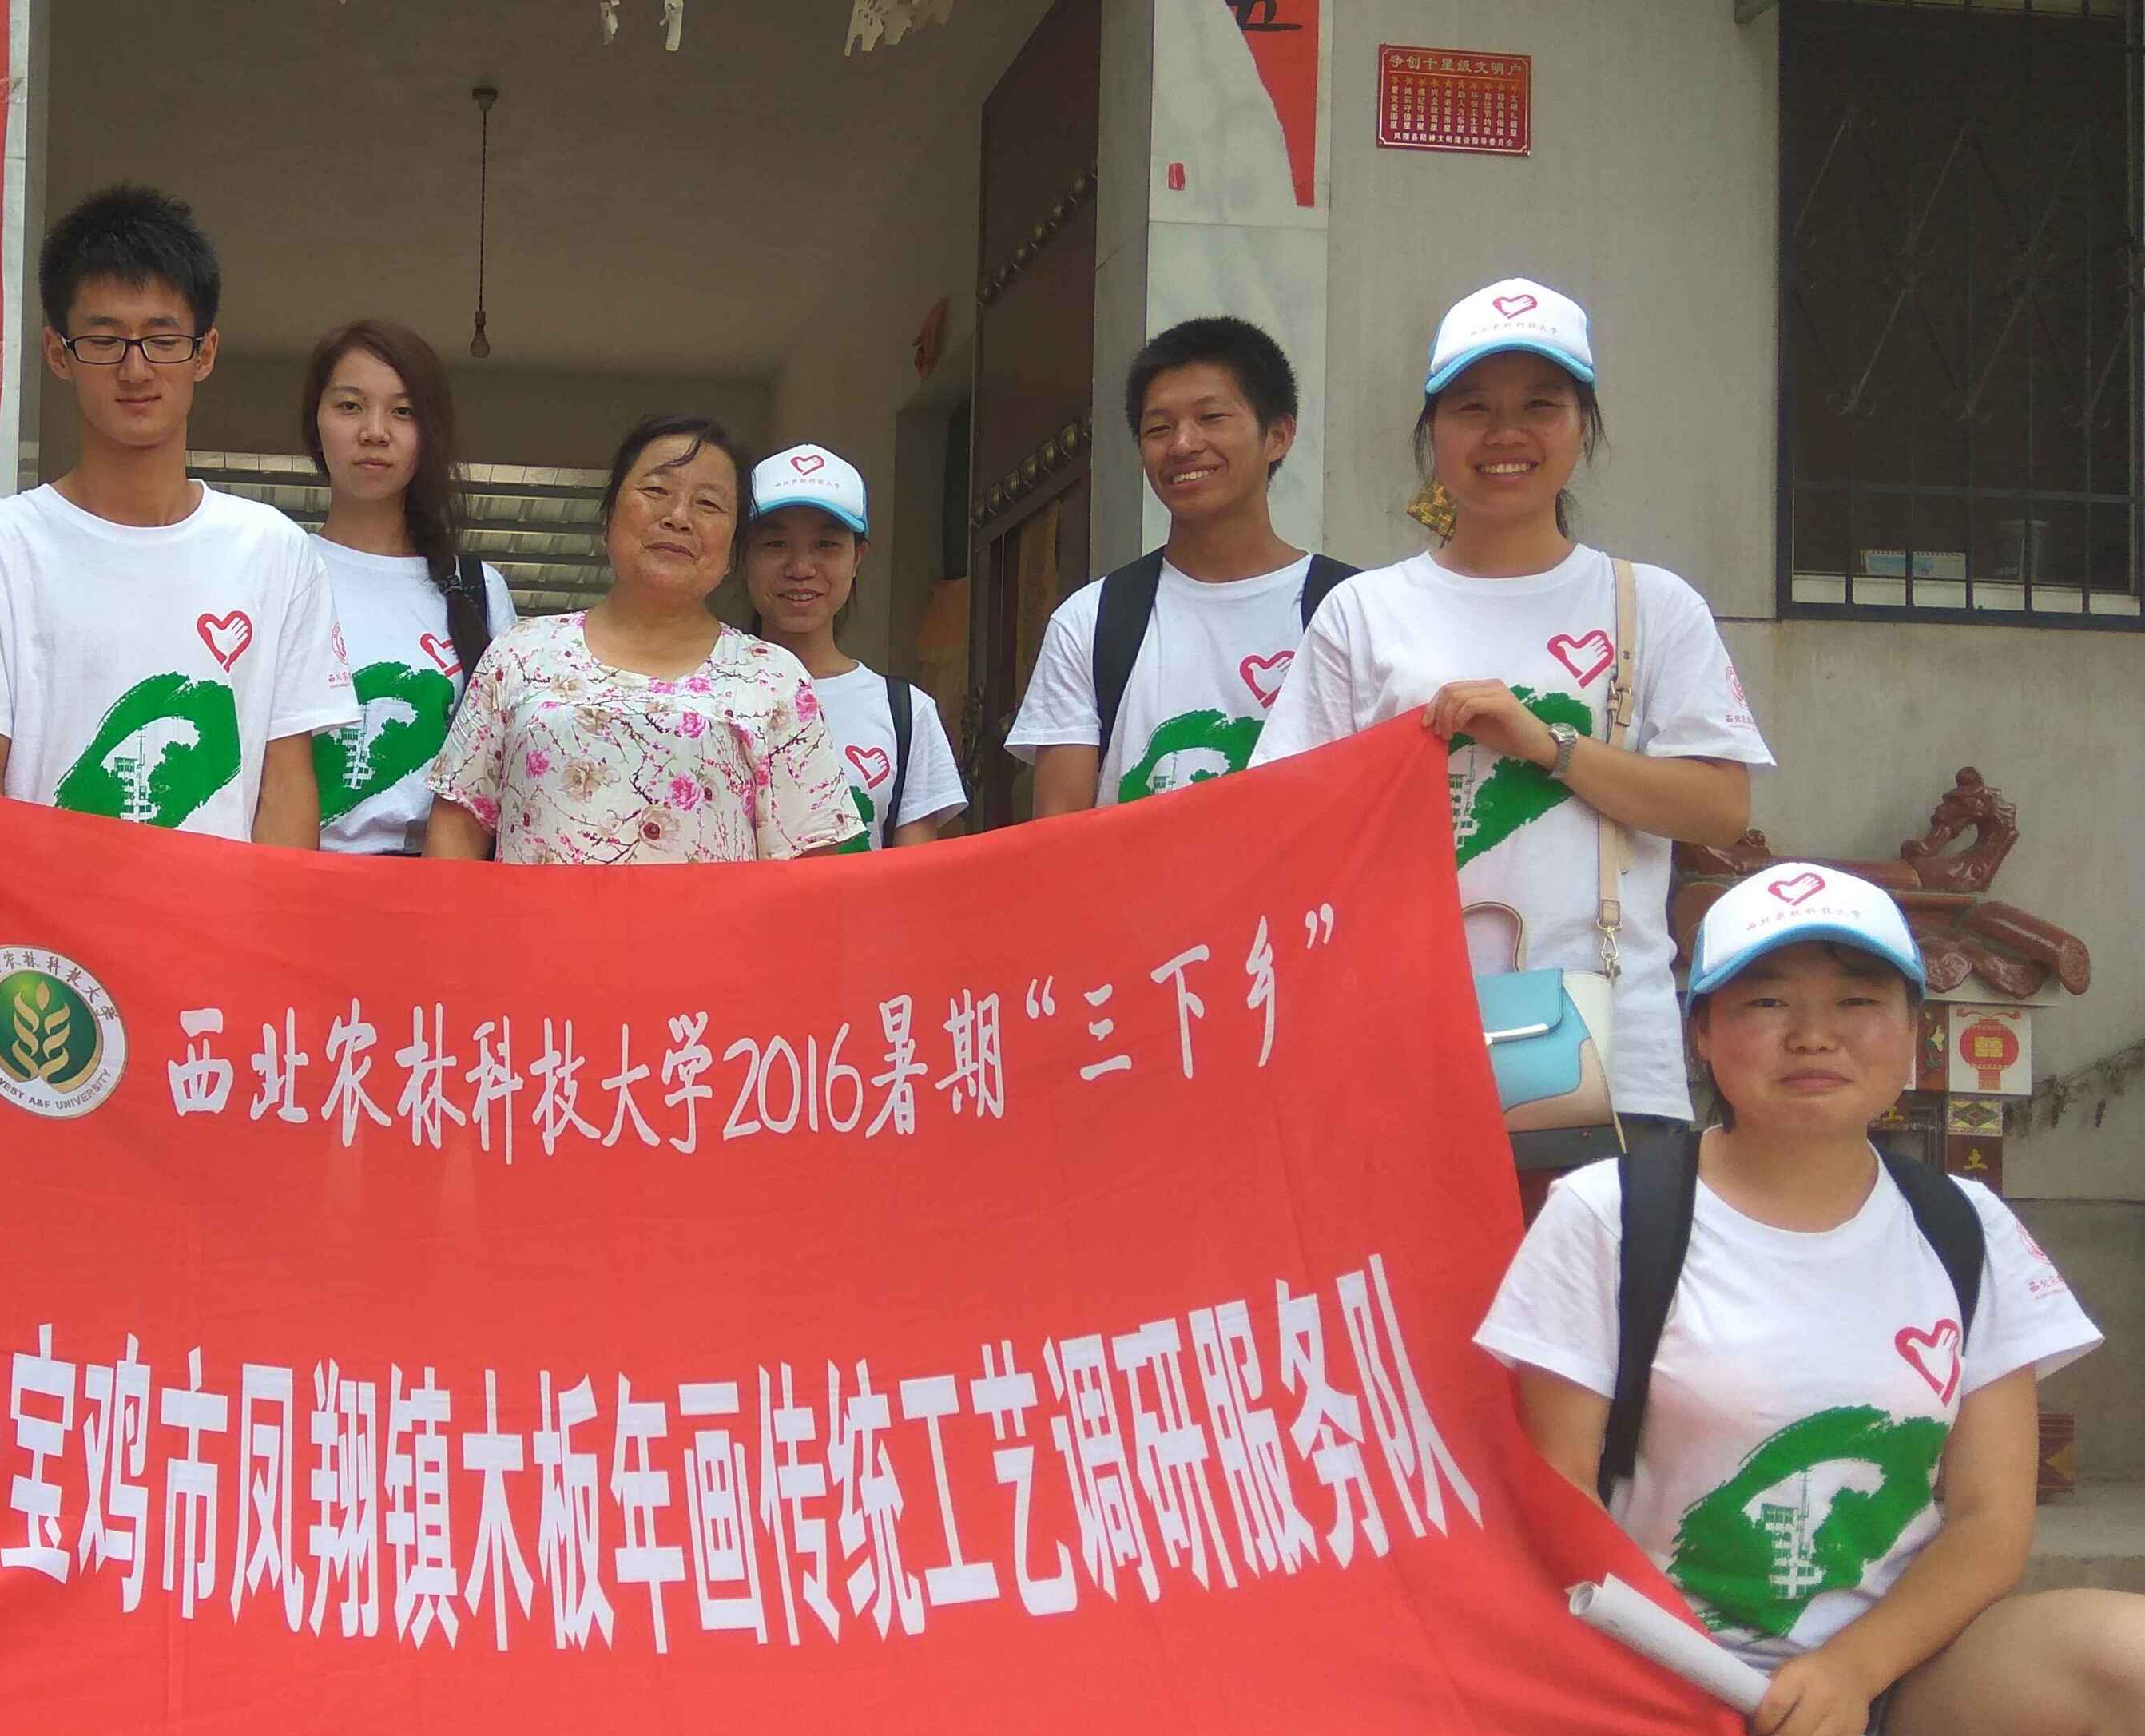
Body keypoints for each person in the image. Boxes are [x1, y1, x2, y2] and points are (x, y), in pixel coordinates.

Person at [1478, 864, 2145, 1736]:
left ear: (1912, 1034)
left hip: (1898, 1668)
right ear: (1702, 1033)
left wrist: (1851, 1670)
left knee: (2139, 1662)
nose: (1814, 1033)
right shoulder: (1611, 1214)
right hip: (1699, 1690)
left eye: (1856, 999)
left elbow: (1993, 1520)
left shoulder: (1963, 1226)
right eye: (1767, 999)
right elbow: (1557, 1501)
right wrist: (1730, 1691)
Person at [1253, 277, 1769, 1131]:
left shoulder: (1651, 605)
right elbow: (1281, 822)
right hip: (1398, 1044)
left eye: (1540, 405)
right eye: (1472, 408)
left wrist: (1549, 745)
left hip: (1607, 1057)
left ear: (1582, 427)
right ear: (1431, 431)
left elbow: (1719, 806)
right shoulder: (1362, 612)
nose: (1505, 434)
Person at [0, 185, 354, 844]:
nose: (135, 369)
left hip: (218, 914)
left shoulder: (274, 551)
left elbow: (286, 787)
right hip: (42, 912)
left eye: (162, 339)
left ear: (204, 352)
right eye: (104, 340)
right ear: (57, 352)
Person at [423, 417, 860, 864]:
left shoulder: (775, 679)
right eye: (656, 490)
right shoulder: (519, 653)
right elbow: (456, 832)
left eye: (709, 503)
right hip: (533, 915)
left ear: (734, 549)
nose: (678, 518)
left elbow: (811, 868)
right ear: (608, 517)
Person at [1008, 316, 1350, 811]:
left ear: (1277, 435)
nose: (1183, 444)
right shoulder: (1090, 622)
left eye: (1211, 417)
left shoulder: (1351, 611)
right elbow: (1060, 834)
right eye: (1158, 429)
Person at [300, 319, 518, 855]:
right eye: (350, 406)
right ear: (316, 421)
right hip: (293, 883)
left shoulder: (477, 591)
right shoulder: (279, 569)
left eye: (403, 411)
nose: (375, 431)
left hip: (434, 890)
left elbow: (503, 771)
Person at [739, 441, 964, 849]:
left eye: (826, 545)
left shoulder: (905, 712)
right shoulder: (701, 695)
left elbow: (913, 877)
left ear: (858, 557)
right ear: (743, 555)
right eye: (775, 545)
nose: (800, 568)